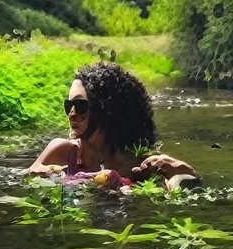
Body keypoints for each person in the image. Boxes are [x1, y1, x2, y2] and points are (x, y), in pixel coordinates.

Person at [27, 61, 198, 189]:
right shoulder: (65, 151)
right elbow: (28, 178)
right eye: (68, 106)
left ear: (106, 110)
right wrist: (80, 177)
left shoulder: (137, 165)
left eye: (80, 106)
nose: (72, 113)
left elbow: (188, 187)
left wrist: (179, 170)